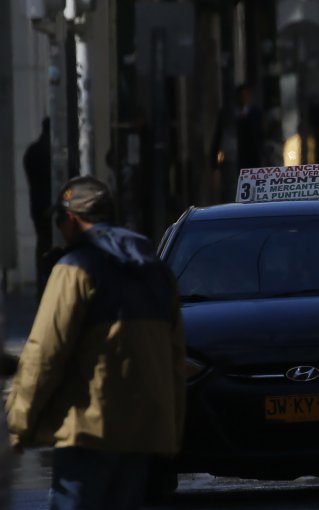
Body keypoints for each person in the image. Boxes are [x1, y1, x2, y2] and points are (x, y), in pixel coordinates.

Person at [5, 176, 186, 510]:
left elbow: (45, 353)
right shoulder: (157, 272)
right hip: (144, 436)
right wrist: (171, 433)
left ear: (72, 220)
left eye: (60, 221)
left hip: (88, 433)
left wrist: (19, 423)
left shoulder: (75, 268)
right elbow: (175, 360)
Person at [23, 117, 52, 298]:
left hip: (37, 206)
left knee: (42, 244)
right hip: (50, 206)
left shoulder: (32, 152)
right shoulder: (52, 151)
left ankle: (41, 285)